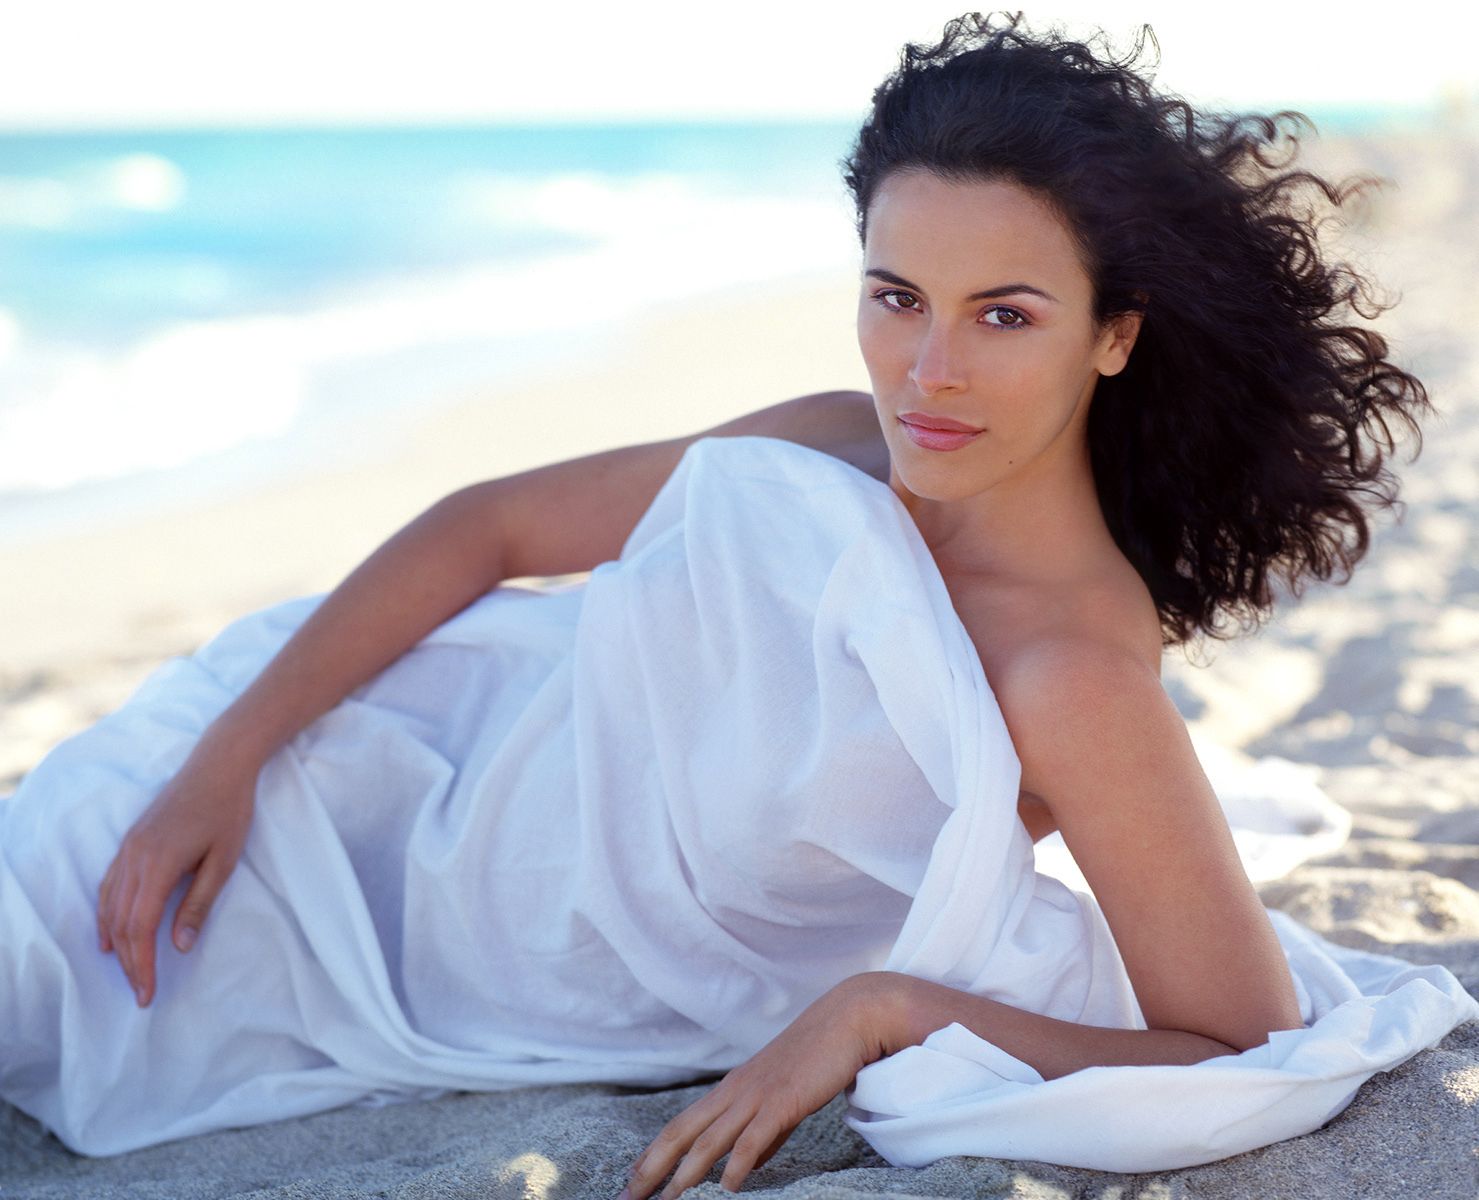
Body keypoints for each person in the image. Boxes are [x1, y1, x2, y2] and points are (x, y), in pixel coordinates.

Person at [2, 12, 1473, 1198]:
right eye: (897, 296)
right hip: (366, 752)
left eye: (1003, 315)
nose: (927, 372)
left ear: (1116, 336)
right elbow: (488, 525)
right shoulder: (830, 439)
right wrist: (227, 757)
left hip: (489, 964)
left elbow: (1236, 1041)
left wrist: (884, 1008)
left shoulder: (1072, 671)